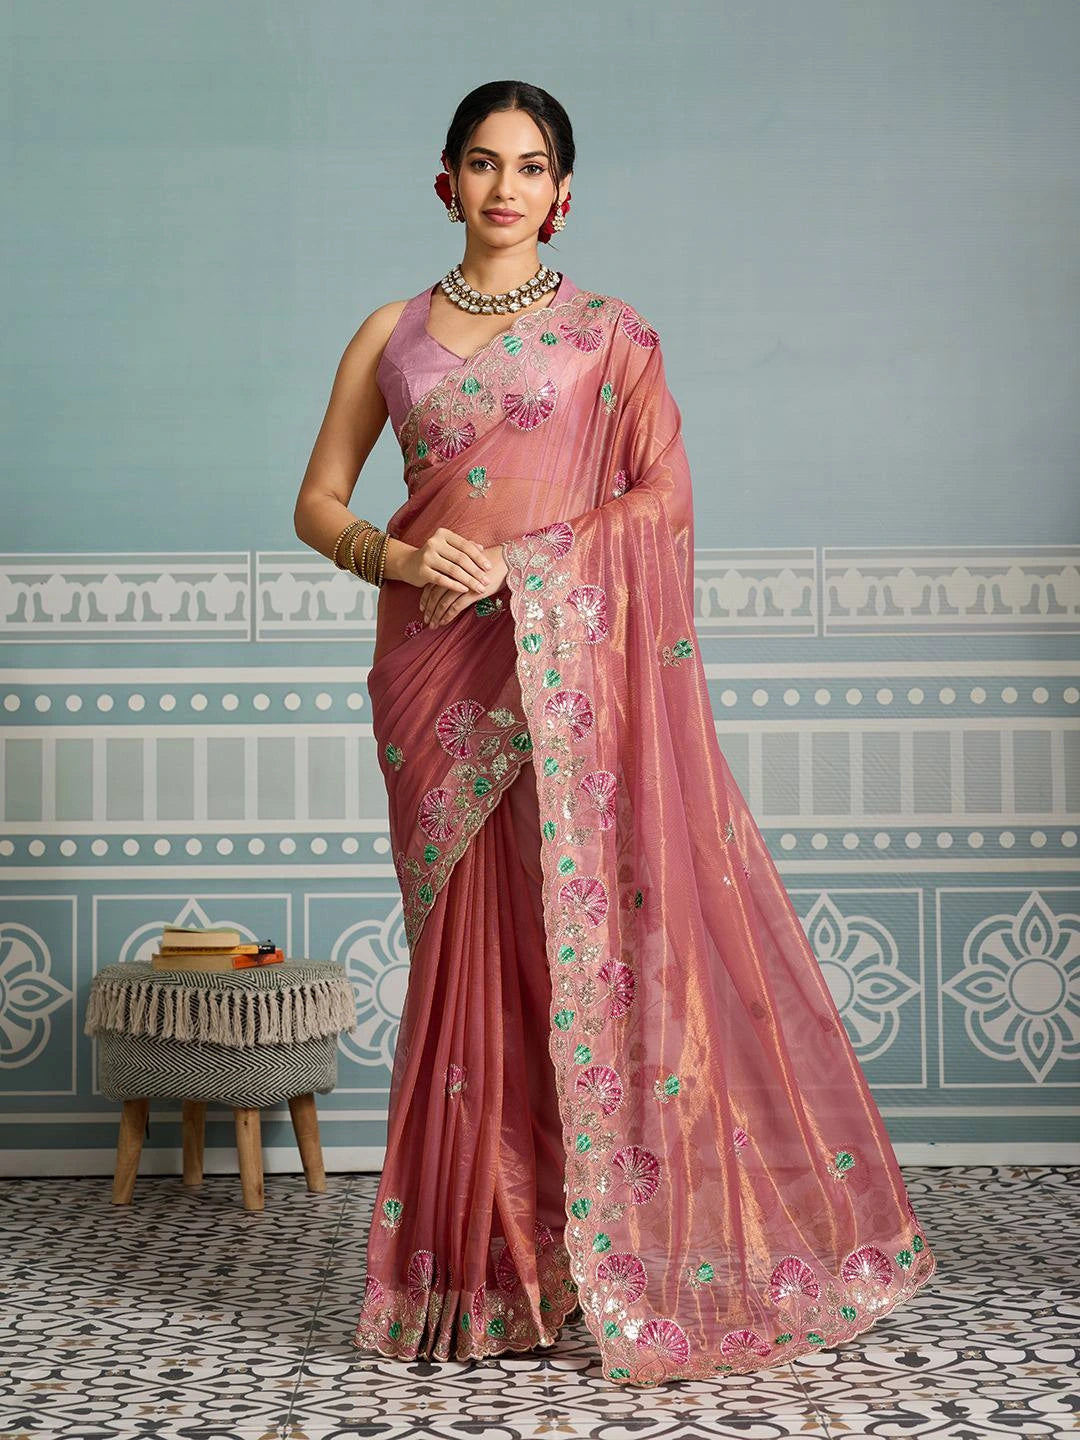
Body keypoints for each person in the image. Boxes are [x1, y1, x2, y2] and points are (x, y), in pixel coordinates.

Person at [293, 80, 936, 1390]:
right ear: (444, 181)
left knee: (578, 952)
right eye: (483, 163)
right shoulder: (390, 334)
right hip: (435, 669)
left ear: (566, 191)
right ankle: (479, 1282)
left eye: (531, 166)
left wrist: (527, 567)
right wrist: (399, 557)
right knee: (466, 962)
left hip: (560, 671)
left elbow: (664, 500)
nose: (506, 186)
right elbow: (315, 502)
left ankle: (611, 1253)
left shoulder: (608, 336)